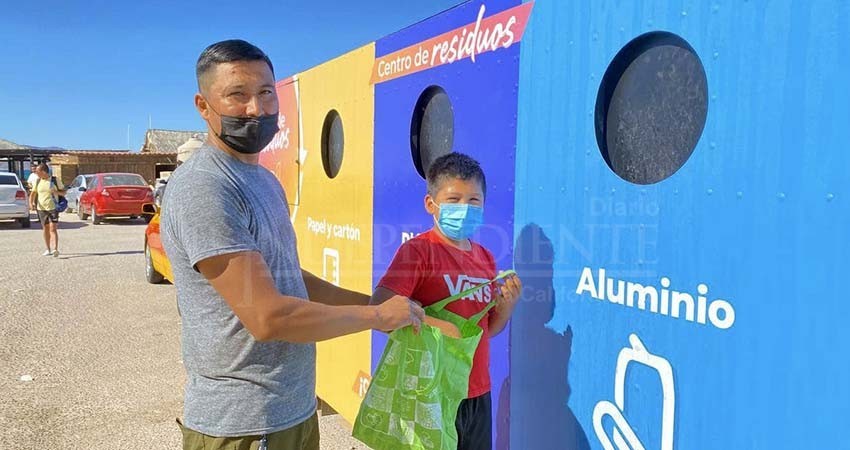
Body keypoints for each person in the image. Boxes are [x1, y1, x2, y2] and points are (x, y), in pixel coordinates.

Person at [160, 39, 425, 450]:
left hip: (290, 411)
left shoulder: (263, 181)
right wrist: (375, 317)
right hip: (244, 425)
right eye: (237, 95)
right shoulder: (205, 188)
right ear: (202, 105)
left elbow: (290, 280)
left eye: (266, 93)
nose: (256, 109)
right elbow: (269, 318)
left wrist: (376, 304)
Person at [370, 152, 523, 450]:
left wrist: (506, 307)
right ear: (431, 204)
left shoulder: (486, 259)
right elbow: (381, 309)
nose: (464, 209)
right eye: (453, 200)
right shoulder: (418, 251)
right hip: (431, 391)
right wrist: (439, 326)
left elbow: (485, 330)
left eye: (473, 201)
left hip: (477, 392)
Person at [29, 163, 64, 257]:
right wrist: (31, 203)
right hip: (41, 209)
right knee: (45, 229)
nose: (36, 174)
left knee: (53, 228)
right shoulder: (38, 181)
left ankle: (55, 249)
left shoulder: (54, 180)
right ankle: (48, 249)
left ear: (44, 172)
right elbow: (33, 193)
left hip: (53, 208)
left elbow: (64, 192)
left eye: (38, 172)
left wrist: (56, 192)